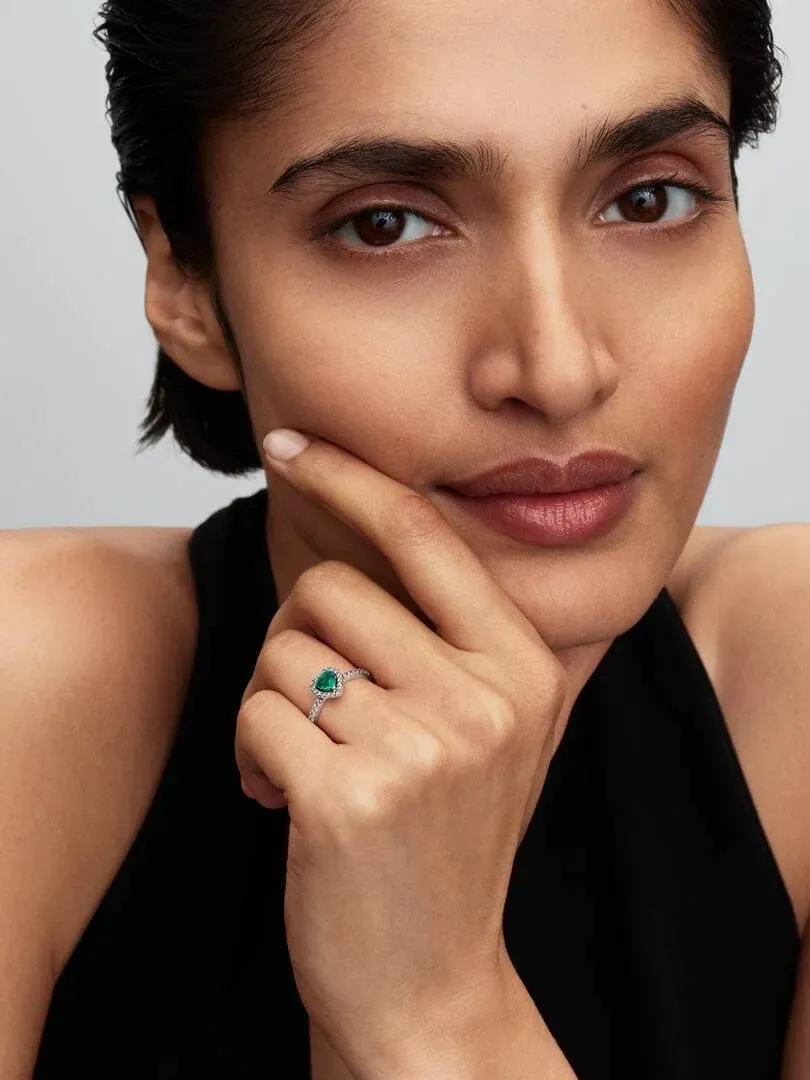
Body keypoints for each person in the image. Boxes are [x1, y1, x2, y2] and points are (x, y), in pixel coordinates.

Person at [1, 0, 807, 1076]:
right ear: (187, 283)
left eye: (649, 199)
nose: (559, 368)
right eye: (385, 224)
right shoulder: (30, 685)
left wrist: (434, 1013)